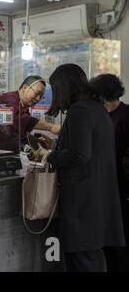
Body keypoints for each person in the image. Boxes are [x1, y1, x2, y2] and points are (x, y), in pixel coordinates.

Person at [36, 64, 125, 272]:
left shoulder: (79, 111)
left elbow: (80, 154)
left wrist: (50, 155)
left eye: (55, 89)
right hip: (96, 201)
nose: (55, 95)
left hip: (82, 205)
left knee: (81, 262)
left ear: (65, 87)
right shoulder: (97, 108)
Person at [90, 73, 129, 271]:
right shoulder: (99, 115)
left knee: (120, 239)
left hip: (120, 185)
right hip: (102, 184)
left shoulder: (126, 115)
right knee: (107, 239)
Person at [0, 75, 60, 152]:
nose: (38, 99)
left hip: (4, 152)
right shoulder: (7, 99)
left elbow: (18, 133)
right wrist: (51, 127)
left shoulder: (23, 107)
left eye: (41, 96)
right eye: (37, 93)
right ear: (25, 87)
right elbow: (17, 119)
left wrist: (37, 141)